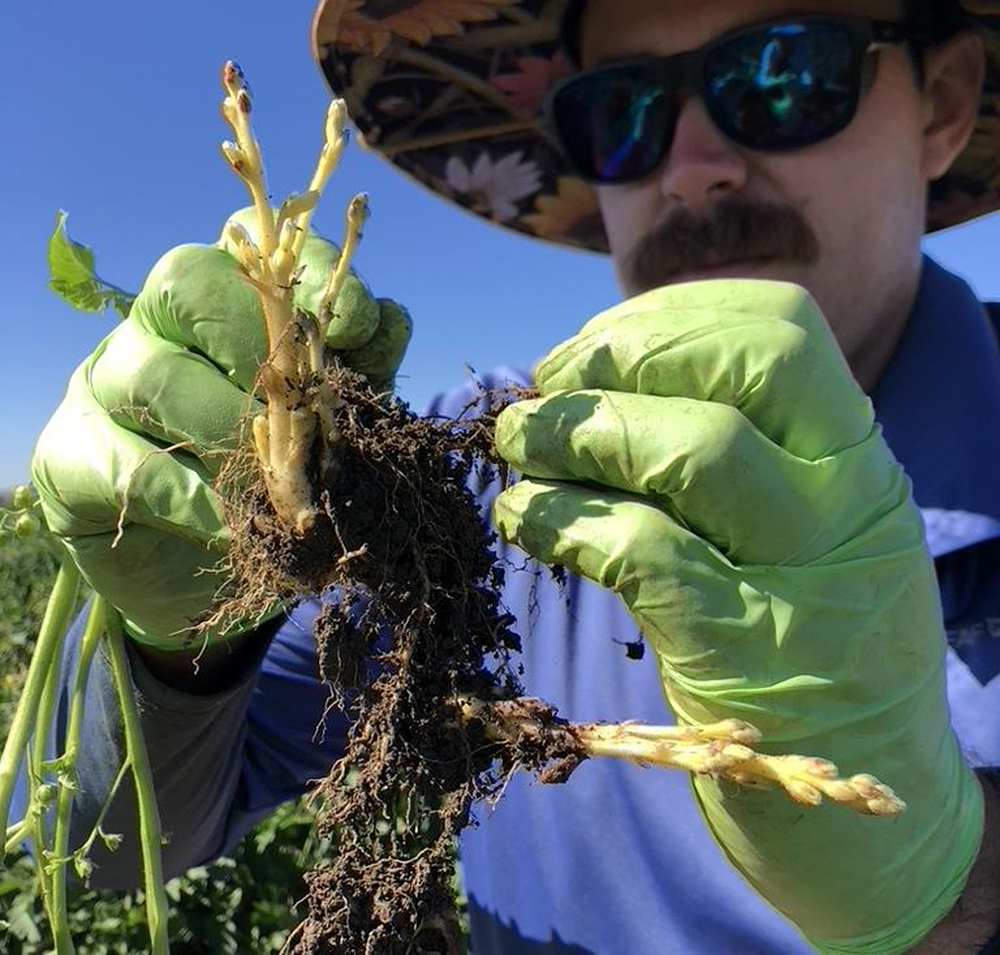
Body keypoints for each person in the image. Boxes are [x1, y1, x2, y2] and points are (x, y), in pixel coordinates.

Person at [15, 0, 1000, 951]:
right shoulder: (473, 470)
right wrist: (178, 653)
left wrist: (951, 885)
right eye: (622, 111)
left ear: (944, 103)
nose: (693, 170)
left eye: (782, 75)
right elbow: (85, 856)